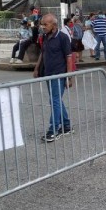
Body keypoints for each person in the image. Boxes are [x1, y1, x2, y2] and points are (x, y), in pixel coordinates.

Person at [34, 13, 74, 141]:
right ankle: (66, 125)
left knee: (55, 100)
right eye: (42, 24)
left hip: (59, 74)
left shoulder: (63, 37)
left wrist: (69, 77)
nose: (43, 26)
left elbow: (69, 58)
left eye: (46, 24)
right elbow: (43, 52)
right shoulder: (45, 37)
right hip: (48, 73)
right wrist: (37, 67)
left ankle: (53, 129)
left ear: (54, 25)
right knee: (54, 100)